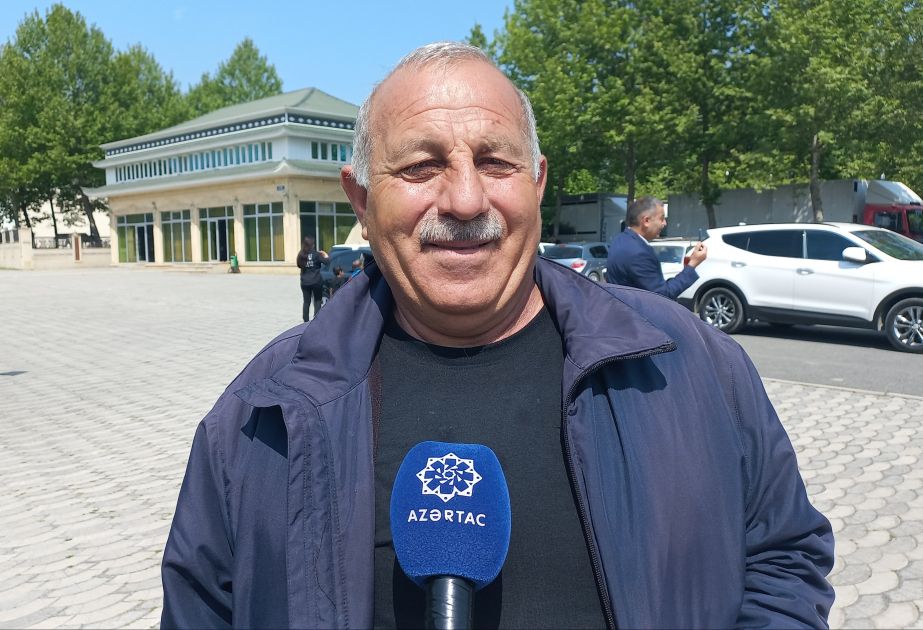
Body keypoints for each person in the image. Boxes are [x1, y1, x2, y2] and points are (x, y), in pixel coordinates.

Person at [161, 42, 834, 629]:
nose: (464, 200)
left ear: (537, 184)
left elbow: (783, 554)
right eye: (420, 167)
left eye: (495, 162)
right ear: (361, 200)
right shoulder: (261, 415)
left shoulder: (691, 363)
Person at [606, 196, 707, 299]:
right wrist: (692, 265)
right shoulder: (639, 253)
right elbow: (662, 295)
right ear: (646, 221)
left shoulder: (620, 240)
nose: (664, 223)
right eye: (661, 218)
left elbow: (652, 285)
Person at [296, 236, 328, 321]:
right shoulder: (316, 254)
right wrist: (325, 255)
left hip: (305, 282)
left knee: (306, 302)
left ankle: (305, 320)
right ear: (312, 245)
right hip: (316, 281)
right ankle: (316, 320)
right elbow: (327, 262)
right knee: (317, 300)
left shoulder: (301, 254)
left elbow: (299, 265)